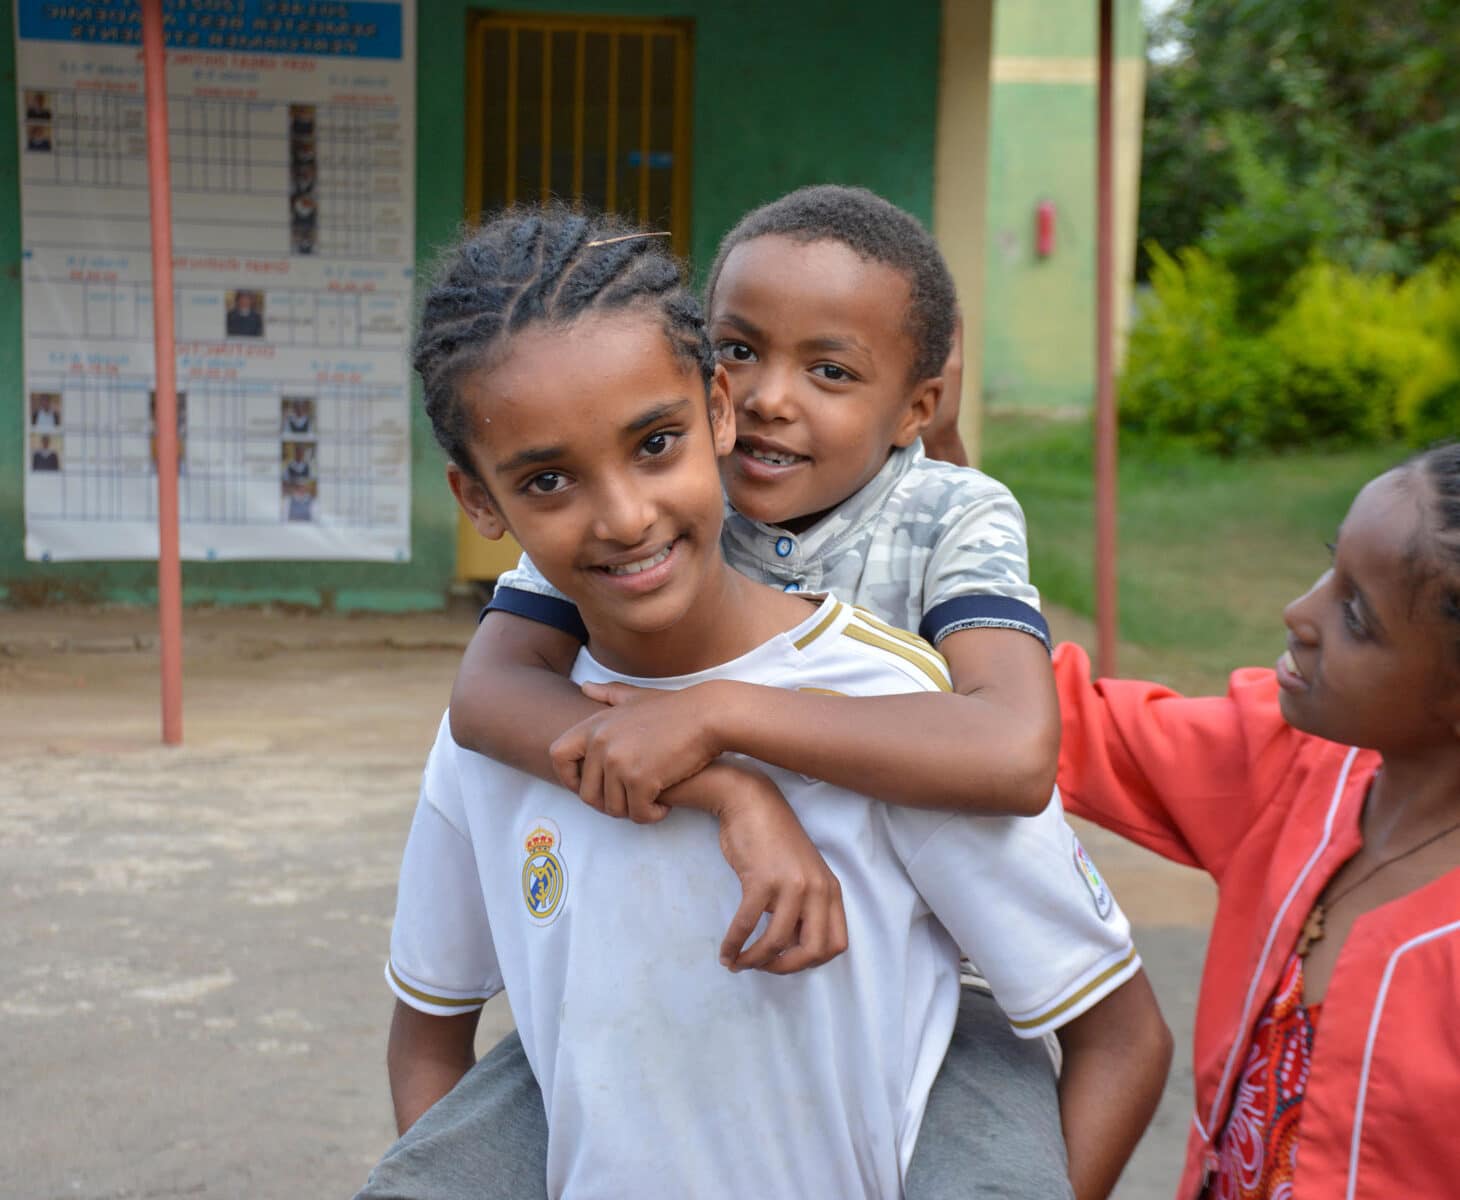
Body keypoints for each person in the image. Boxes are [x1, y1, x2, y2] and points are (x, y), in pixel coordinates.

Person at [363, 189, 1173, 1200]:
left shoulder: (911, 630)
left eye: (654, 445)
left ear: (707, 415)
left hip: (917, 1014)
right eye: (546, 482)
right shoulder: (516, 713)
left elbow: (1014, 765)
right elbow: (479, 713)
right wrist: (731, 791)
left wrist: (721, 722)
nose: (622, 516)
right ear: (479, 500)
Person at [1053, 442, 1460, 1199]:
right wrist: (943, 485)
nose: (1299, 613)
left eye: (1356, 616)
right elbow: (1044, 716)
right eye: (1330, 566)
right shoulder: (1293, 767)